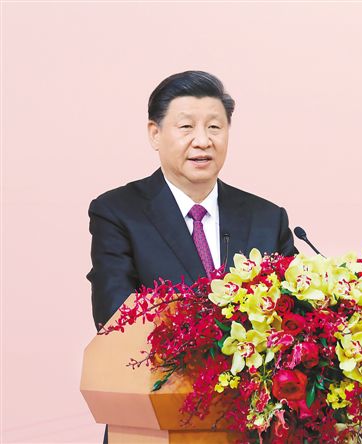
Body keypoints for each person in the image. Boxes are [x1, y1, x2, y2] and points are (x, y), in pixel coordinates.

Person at [87, 70, 297, 443]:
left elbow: (296, 316)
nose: (203, 140)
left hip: (253, 428)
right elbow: (114, 316)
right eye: (186, 127)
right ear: (155, 134)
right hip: (156, 426)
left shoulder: (267, 217)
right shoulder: (119, 212)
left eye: (215, 127)